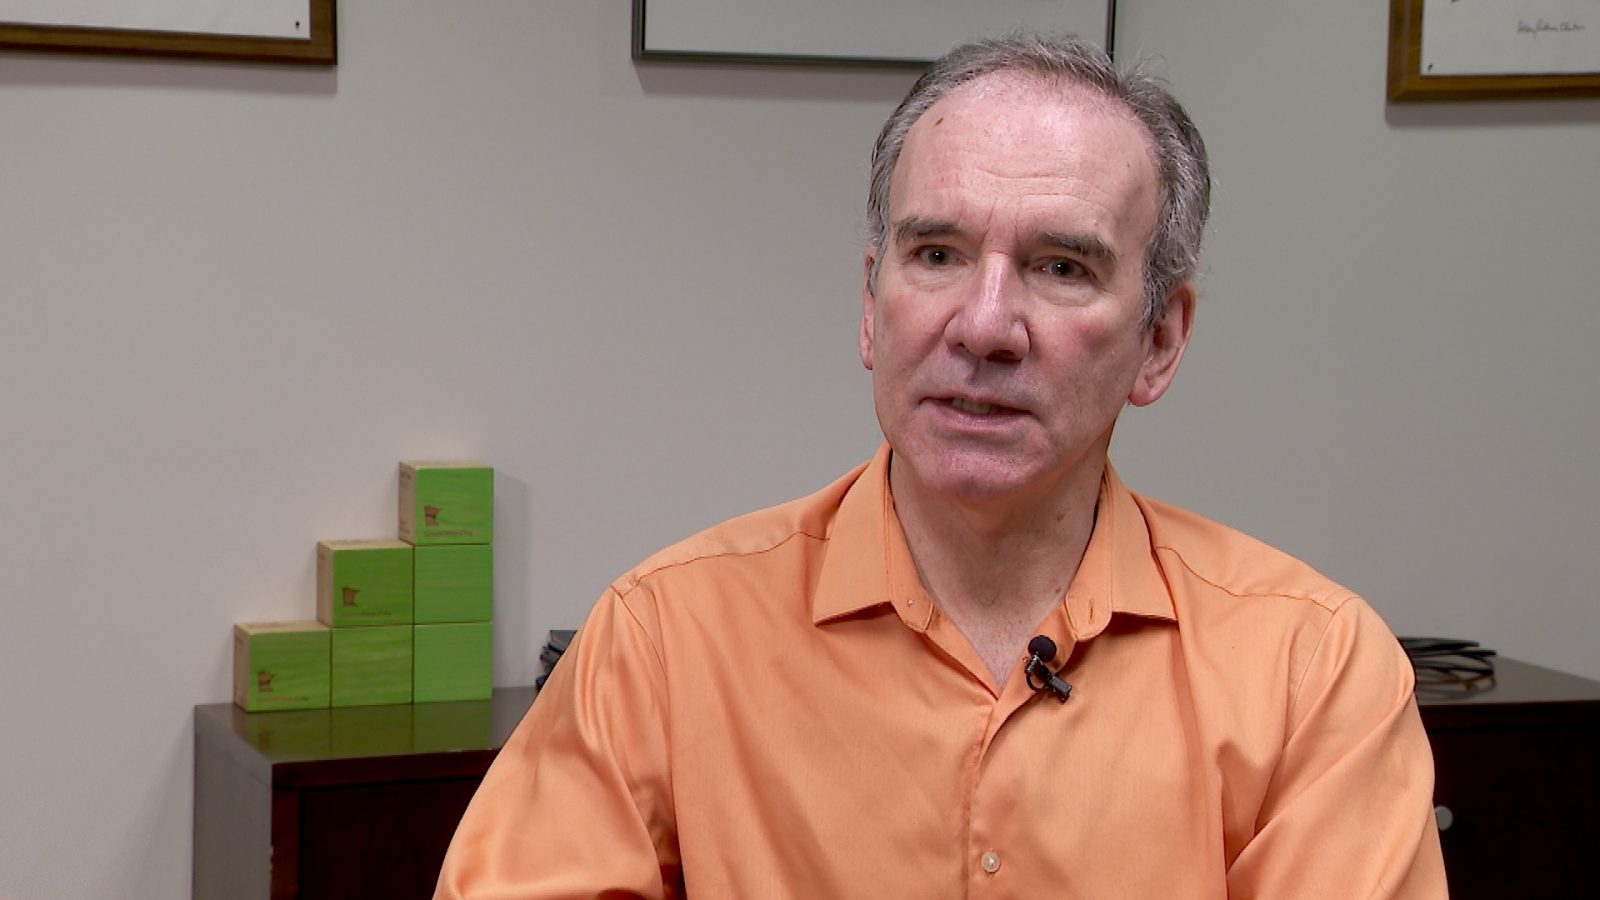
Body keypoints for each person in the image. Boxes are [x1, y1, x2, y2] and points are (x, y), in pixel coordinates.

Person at [436, 34, 1447, 899]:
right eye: (935, 255)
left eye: (1061, 267)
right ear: (870, 308)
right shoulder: (663, 641)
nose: (984, 324)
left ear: (1159, 342)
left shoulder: (1311, 673)